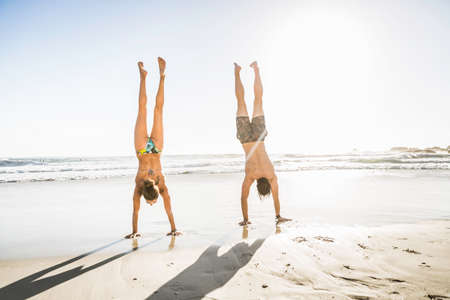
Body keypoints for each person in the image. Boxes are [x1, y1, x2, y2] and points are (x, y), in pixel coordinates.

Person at [125, 58, 180, 238]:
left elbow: (139, 211)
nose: (151, 204)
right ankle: (148, 76)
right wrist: (172, 228)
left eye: (151, 202)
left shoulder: (154, 185)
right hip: (143, 149)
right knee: (148, 110)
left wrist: (135, 232)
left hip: (154, 149)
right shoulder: (142, 186)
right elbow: (138, 211)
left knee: (154, 110)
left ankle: (158, 76)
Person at [234, 61, 291, 226]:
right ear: (257, 185)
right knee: (241, 101)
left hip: (259, 136)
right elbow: (243, 197)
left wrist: (278, 214)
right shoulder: (250, 176)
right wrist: (245, 219)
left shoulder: (271, 175)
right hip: (245, 139)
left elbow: (276, 197)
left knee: (258, 100)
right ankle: (237, 72)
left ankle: (256, 70)